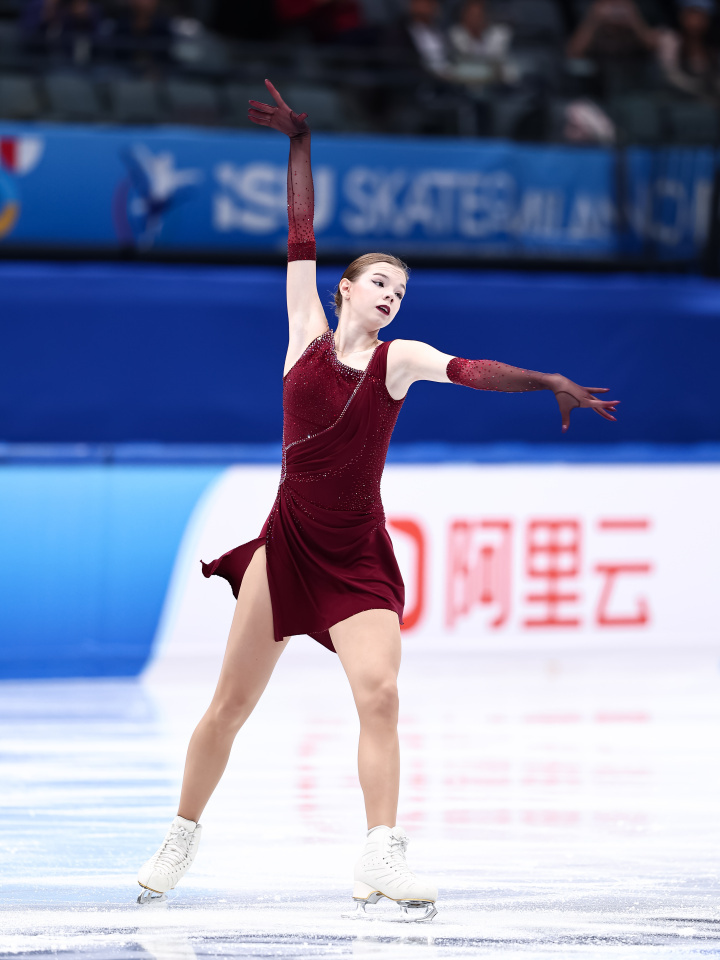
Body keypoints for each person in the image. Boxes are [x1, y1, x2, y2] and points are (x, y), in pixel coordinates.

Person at [135, 80, 619, 922]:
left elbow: (471, 370)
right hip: (287, 547)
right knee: (230, 706)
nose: (392, 296)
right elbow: (301, 231)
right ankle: (181, 833)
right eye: (381, 283)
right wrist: (300, 145)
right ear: (347, 289)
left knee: (381, 695)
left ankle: (381, 852)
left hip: (357, 556)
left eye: (401, 290)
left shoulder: (400, 360)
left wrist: (545, 379)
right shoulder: (304, 335)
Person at [656, 0, 720, 98]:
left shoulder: (713, 47)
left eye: (702, 15)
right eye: (692, 13)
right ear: (682, 15)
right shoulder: (670, 40)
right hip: (677, 98)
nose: (696, 21)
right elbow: (670, 77)